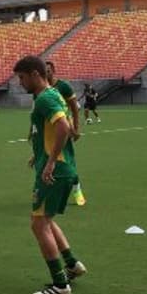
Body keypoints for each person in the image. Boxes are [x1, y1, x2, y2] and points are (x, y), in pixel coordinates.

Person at [13, 56, 87, 294]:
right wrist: (40, 154)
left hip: (56, 171)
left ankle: (60, 284)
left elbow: (63, 127)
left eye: (21, 77)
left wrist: (51, 161)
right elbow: (48, 130)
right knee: (47, 219)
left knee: (39, 223)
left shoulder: (46, 97)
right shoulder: (50, 95)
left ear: (35, 74)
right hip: (64, 168)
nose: (20, 83)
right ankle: (72, 265)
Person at [45, 60, 86, 207]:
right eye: (44, 71)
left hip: (63, 128)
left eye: (48, 70)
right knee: (46, 161)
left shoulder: (63, 86)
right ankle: (50, 193)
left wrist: (75, 128)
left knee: (67, 162)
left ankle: (77, 188)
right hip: (47, 131)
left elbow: (74, 108)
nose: (46, 73)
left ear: (53, 70)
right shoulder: (41, 90)